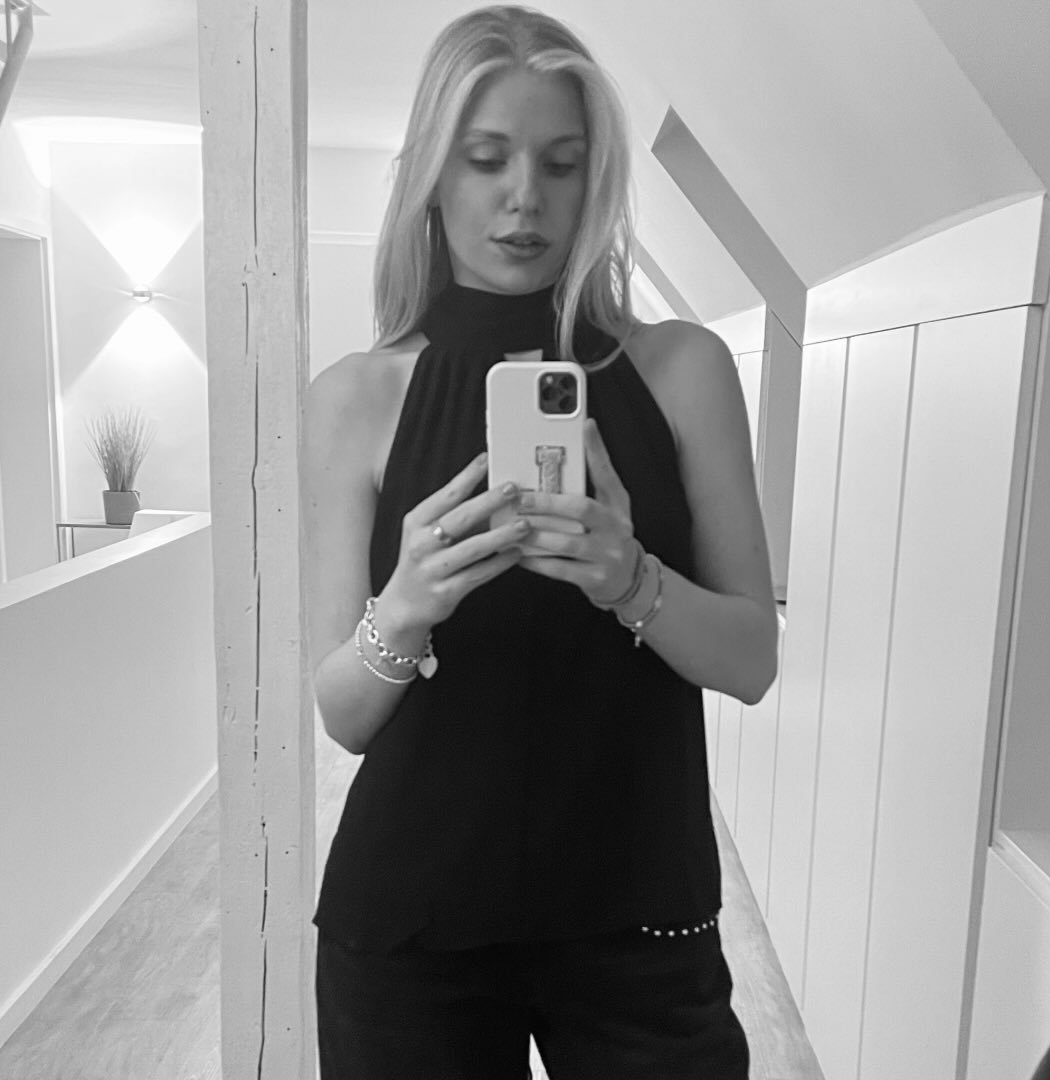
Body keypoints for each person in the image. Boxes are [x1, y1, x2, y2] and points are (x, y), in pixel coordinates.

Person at [302, 5, 778, 1077]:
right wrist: (403, 608)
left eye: (561, 164)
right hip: (411, 927)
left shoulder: (683, 371)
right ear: (432, 174)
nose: (526, 197)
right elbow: (343, 714)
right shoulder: (354, 399)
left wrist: (635, 582)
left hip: (641, 918)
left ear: (594, 180)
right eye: (487, 159)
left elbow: (752, 660)